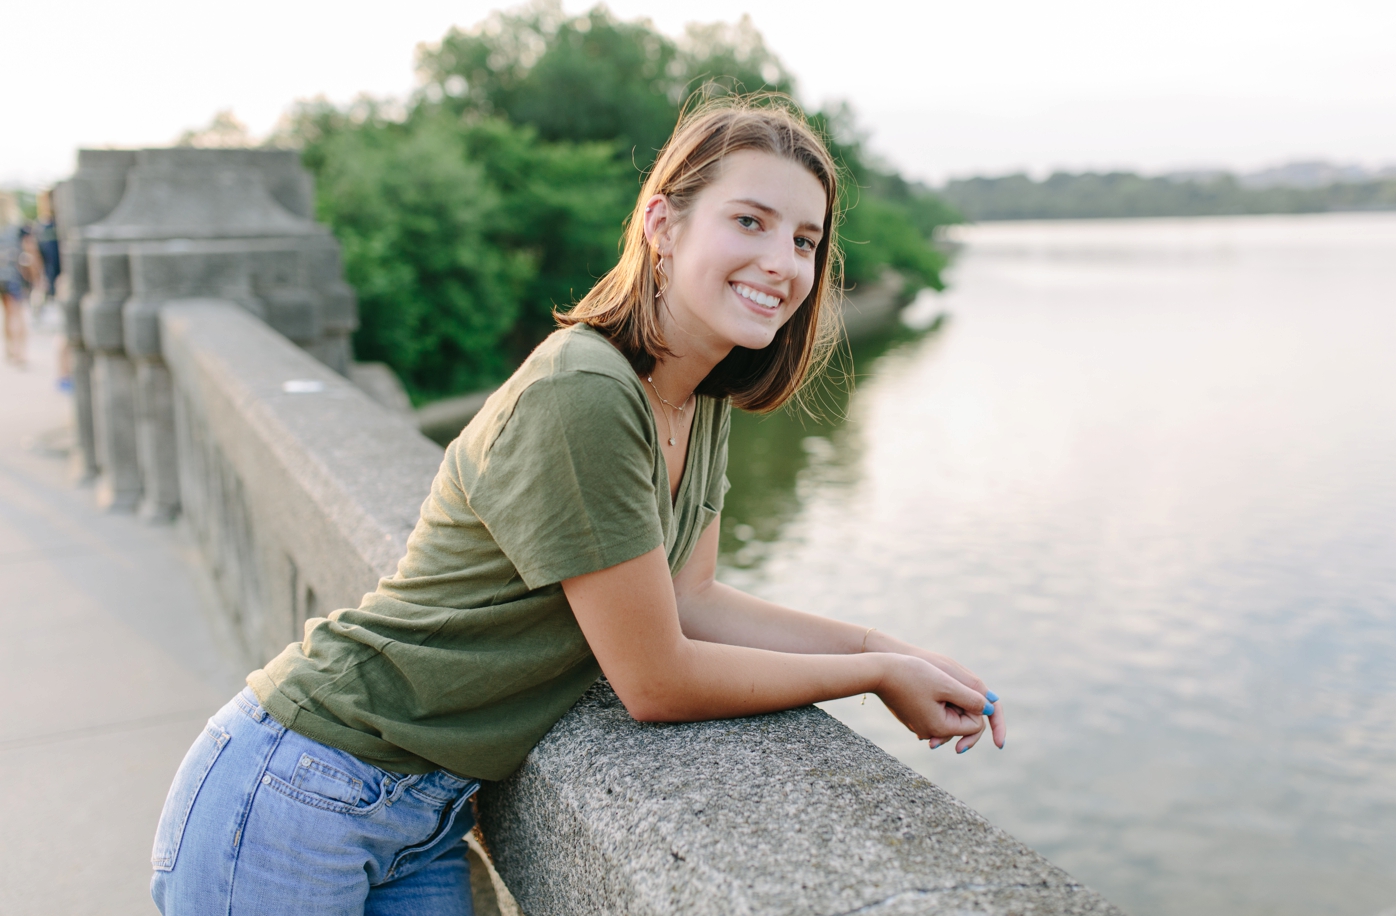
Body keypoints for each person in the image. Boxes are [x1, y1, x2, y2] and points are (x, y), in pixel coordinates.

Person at [151, 97, 1006, 916]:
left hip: (424, 814)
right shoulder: (588, 392)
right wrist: (874, 675)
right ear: (663, 227)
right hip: (301, 789)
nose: (783, 262)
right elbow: (656, 678)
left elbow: (693, 602)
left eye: (806, 239)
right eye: (749, 222)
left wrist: (887, 644)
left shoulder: (699, 395)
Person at [0, 193, 30, 367]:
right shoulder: (16, 227)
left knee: (6, 313)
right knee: (17, 313)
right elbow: (28, 250)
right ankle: (20, 352)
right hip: (13, 275)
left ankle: (10, 349)